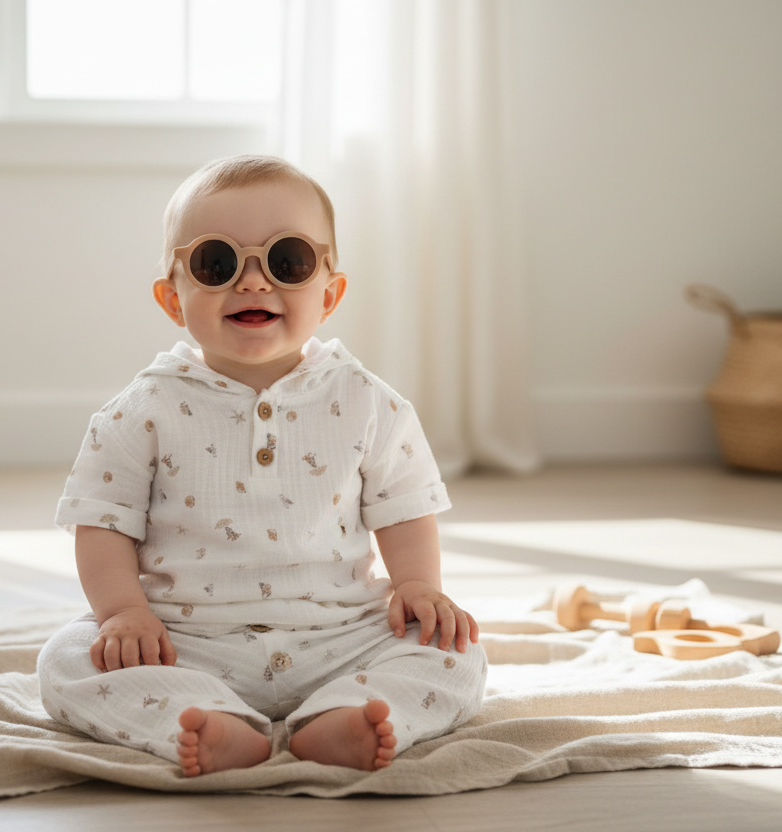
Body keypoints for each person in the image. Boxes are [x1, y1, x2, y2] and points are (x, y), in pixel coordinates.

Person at [38, 155, 486, 777]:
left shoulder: (369, 401)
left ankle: (346, 715)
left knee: (455, 653)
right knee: (66, 658)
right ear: (174, 299)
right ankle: (204, 722)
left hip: (341, 636)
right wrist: (122, 613)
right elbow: (103, 524)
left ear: (328, 293)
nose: (253, 283)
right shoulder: (143, 408)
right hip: (186, 641)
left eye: (288, 262)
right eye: (216, 264)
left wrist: (417, 587)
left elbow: (404, 509)